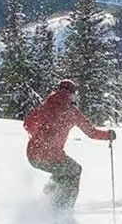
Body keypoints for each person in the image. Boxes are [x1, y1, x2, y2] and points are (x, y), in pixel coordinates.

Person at [24, 79, 116, 209]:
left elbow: (27, 124)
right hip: (51, 156)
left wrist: (40, 137)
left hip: (33, 154)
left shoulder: (46, 105)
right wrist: (108, 135)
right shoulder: (72, 111)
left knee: (62, 170)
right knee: (74, 170)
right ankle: (62, 209)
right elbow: (91, 132)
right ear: (72, 94)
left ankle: (47, 197)